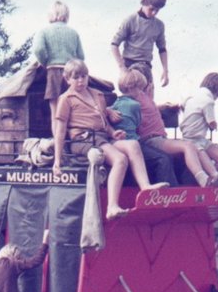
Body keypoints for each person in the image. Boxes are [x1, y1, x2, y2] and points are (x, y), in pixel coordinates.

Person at [52, 59, 162, 220]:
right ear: (67, 79)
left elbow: (103, 120)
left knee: (133, 145)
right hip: (83, 139)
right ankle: (112, 207)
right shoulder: (66, 99)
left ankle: (145, 187)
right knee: (120, 159)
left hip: (102, 137)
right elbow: (60, 130)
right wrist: (57, 160)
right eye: (76, 77)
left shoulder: (97, 94)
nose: (81, 81)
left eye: (84, 76)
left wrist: (113, 133)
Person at [133, 80, 218, 188]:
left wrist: (164, 106)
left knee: (195, 147)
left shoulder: (149, 103)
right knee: (188, 145)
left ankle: (213, 178)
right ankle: (202, 179)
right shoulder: (140, 102)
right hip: (151, 140)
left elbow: (152, 107)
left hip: (159, 139)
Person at [112, 68, 175, 189]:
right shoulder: (136, 105)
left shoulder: (117, 103)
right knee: (163, 158)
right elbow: (139, 125)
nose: (141, 92)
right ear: (132, 88)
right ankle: (169, 195)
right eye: (139, 88)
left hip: (120, 143)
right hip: (133, 142)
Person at [32, 0, 85, 124]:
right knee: (72, 107)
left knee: (55, 111)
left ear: (51, 14)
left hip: (53, 71)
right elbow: (81, 56)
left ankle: (58, 141)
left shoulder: (44, 31)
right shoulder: (74, 33)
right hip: (72, 74)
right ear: (66, 15)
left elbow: (38, 49)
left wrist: (45, 62)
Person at [111, 0, 168, 98]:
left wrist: (165, 71)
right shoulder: (131, 20)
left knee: (148, 103)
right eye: (152, 9)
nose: (154, 13)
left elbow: (162, 49)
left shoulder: (159, 25)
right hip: (130, 66)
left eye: (158, 10)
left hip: (146, 67)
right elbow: (114, 44)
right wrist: (122, 68)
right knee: (133, 102)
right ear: (143, 2)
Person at [179, 72, 218, 185]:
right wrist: (214, 125)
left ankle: (215, 180)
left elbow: (182, 105)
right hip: (194, 140)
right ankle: (215, 177)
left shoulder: (192, 96)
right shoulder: (208, 101)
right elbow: (211, 122)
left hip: (196, 138)